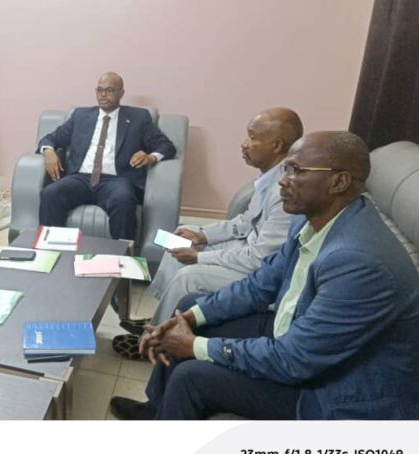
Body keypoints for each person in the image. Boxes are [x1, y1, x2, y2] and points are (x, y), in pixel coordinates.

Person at [109, 131, 419, 420]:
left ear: (338, 182)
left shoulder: (358, 262)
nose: (283, 181)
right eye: (286, 169)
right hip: (295, 334)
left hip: (339, 391)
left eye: (296, 170)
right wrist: (188, 318)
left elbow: (295, 360)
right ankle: (157, 409)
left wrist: (196, 347)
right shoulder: (310, 220)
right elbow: (259, 286)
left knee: (191, 377)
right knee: (190, 306)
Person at [113, 108, 302, 359]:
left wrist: (199, 257)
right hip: (243, 247)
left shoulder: (285, 191)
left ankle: (156, 344)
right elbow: (245, 221)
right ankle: (161, 321)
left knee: (188, 277)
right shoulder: (269, 176)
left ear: (276, 145)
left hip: (256, 269)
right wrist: (202, 235)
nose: (244, 144)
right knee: (178, 241)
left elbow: (259, 259)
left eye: (252, 137)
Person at [38, 72, 176, 240]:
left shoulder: (138, 118)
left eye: (110, 90)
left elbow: (166, 146)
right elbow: (50, 138)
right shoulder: (80, 116)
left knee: (123, 200)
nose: (103, 95)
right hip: (80, 178)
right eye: (99, 90)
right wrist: (48, 151)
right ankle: (51, 248)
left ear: (121, 93)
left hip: (116, 180)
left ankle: (123, 253)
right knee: (50, 193)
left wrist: (150, 157)